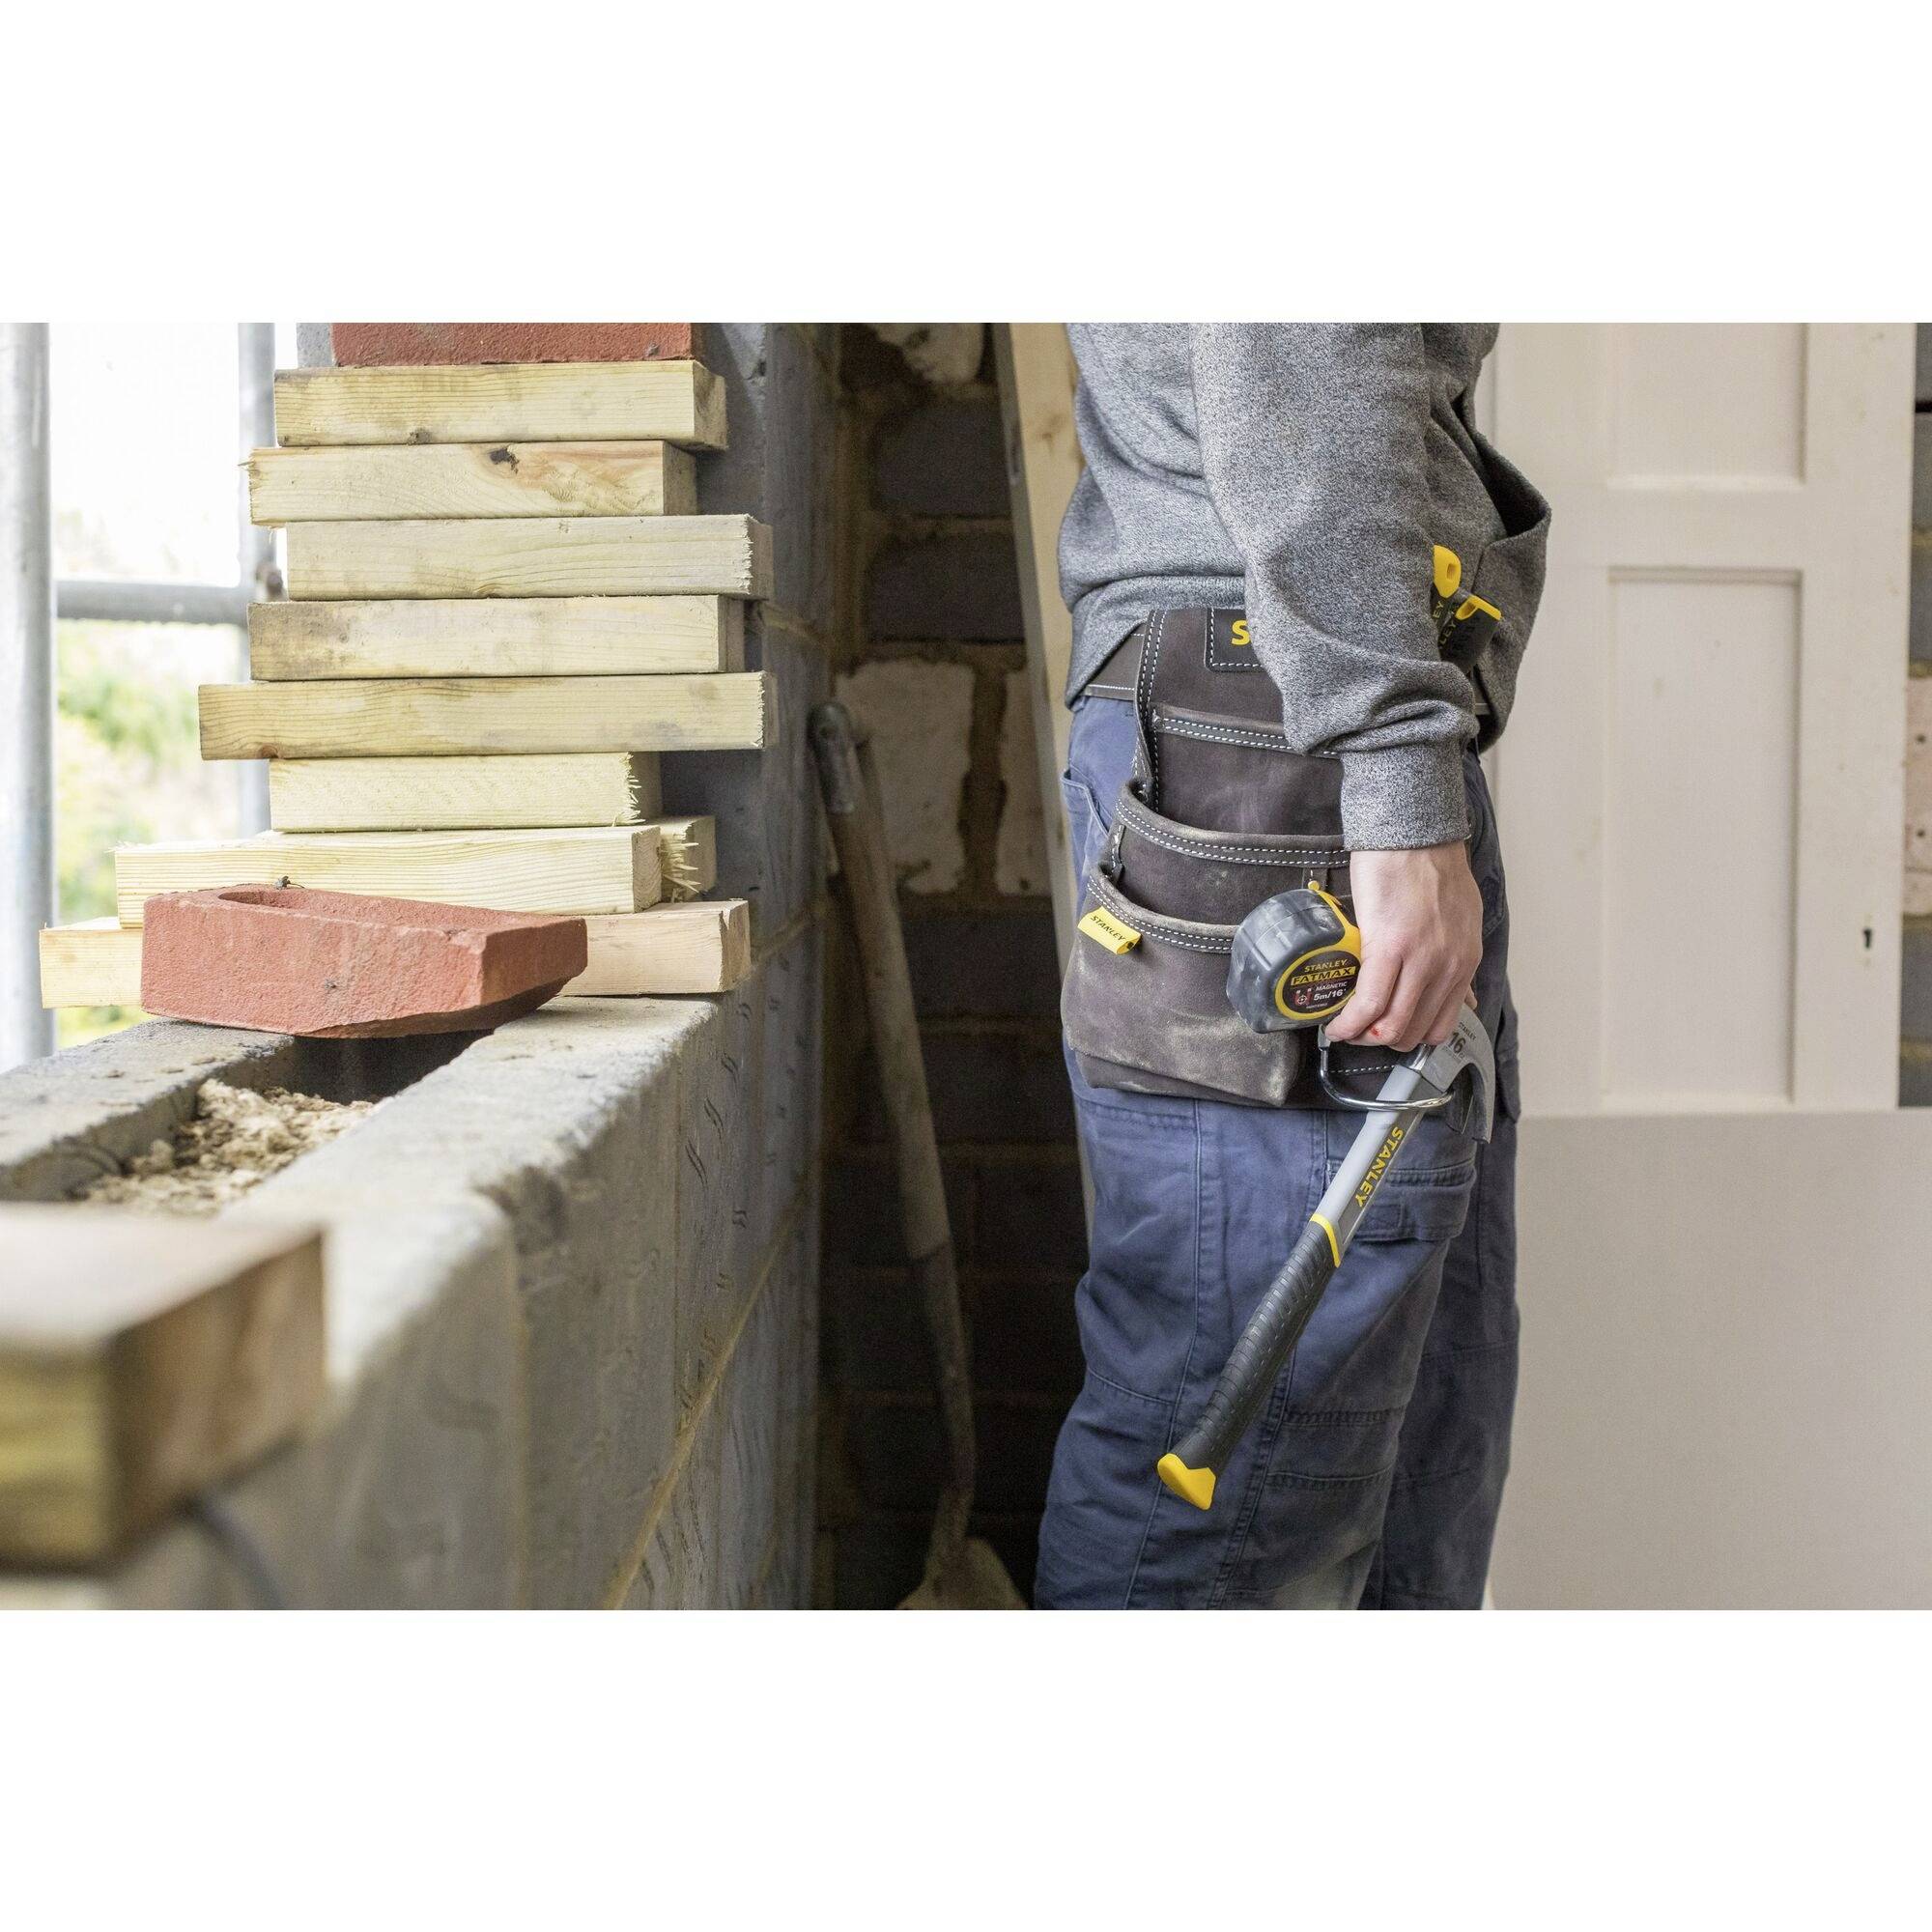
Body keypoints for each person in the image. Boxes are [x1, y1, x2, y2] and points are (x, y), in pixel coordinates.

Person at [1036, 326, 1549, 1609]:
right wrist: (1392, 772)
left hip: (1285, 734)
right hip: (1283, 753)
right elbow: (1300, 333)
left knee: (1409, 1439)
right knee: (1250, 1441)